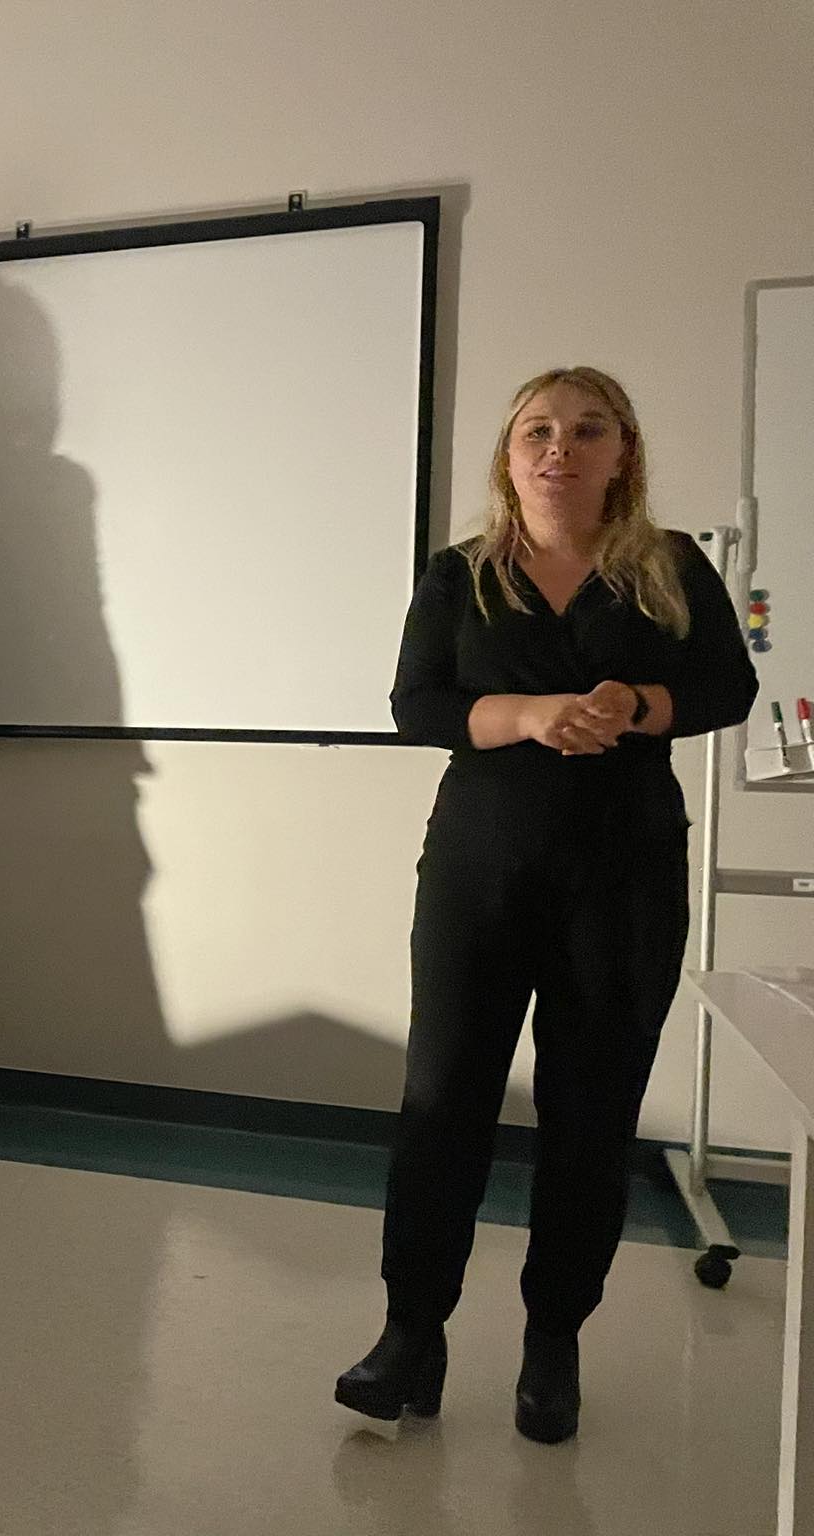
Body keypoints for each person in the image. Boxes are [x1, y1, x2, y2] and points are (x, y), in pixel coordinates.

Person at [337, 367, 758, 1441]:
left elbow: (727, 688)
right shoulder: (460, 575)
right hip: (479, 870)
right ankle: (410, 1333)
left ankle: (551, 1343)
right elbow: (415, 705)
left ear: (622, 453)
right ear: (509, 455)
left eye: (586, 430)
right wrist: (527, 714)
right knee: (442, 1101)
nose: (559, 449)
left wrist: (638, 702)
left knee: (591, 1111)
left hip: (624, 876)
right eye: (537, 432)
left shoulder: (669, 567)